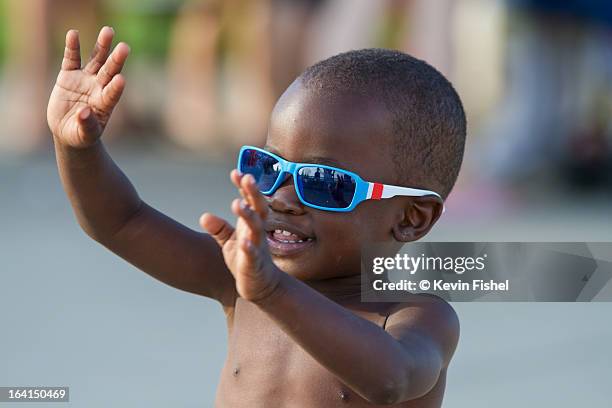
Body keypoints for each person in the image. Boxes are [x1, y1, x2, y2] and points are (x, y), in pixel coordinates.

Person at [47, 27, 465, 406]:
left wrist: (271, 292)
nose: (282, 198)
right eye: (269, 168)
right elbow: (121, 222)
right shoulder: (241, 274)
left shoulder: (416, 314)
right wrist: (78, 149)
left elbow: (391, 379)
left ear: (412, 216)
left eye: (323, 182)